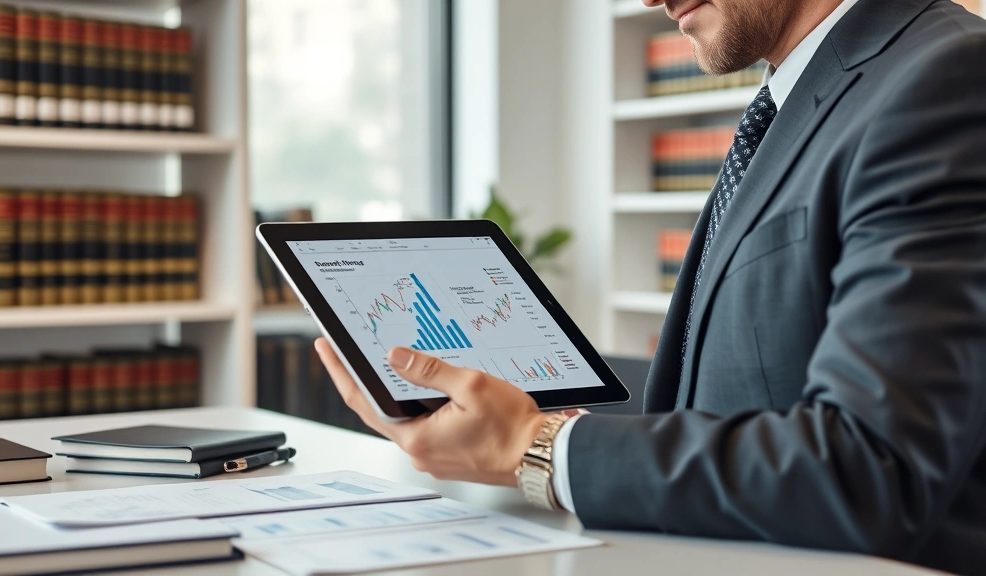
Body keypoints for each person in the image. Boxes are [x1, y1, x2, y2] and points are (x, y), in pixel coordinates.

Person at [314, 0, 986, 573]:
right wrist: (522, 414)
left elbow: (870, 468)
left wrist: (535, 447)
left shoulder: (947, 79)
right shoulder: (804, 96)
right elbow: (730, 396)